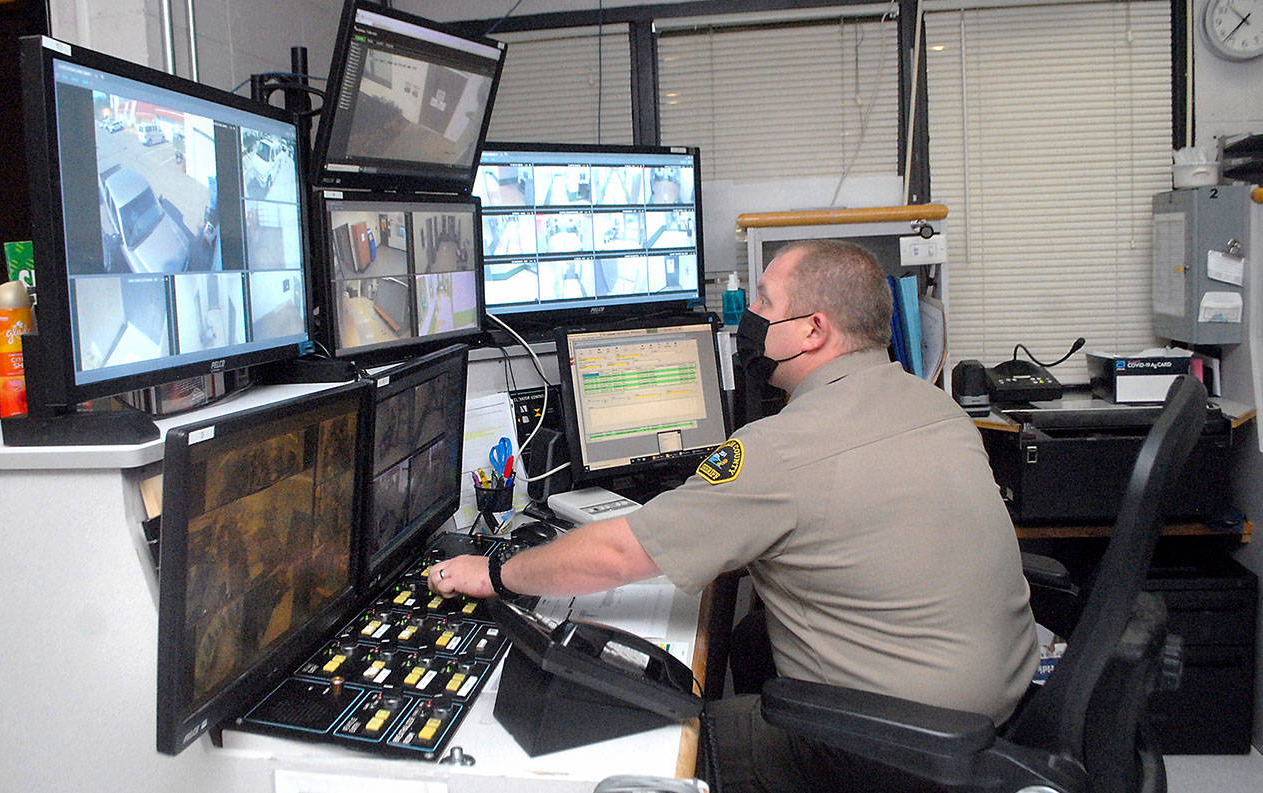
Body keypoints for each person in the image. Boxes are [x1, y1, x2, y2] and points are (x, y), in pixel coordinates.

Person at [428, 239, 1038, 792]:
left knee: (662, 743)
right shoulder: (934, 403)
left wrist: (498, 571)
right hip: (996, 719)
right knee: (748, 639)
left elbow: (620, 553)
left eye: (765, 304)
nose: (747, 321)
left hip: (890, 753)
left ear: (812, 331)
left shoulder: (783, 448)